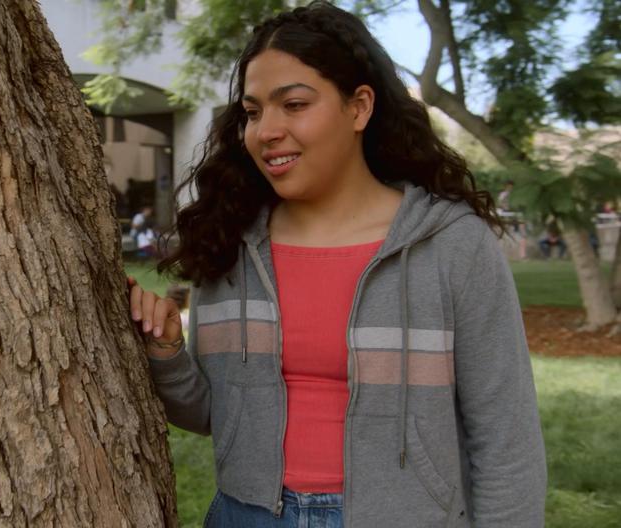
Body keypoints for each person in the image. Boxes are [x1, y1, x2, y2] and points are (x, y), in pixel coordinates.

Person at [126, 3, 546, 527]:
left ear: (359, 107)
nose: (266, 131)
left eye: (294, 104)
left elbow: (506, 440)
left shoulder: (451, 245)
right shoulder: (233, 244)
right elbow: (217, 415)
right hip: (245, 516)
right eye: (253, 112)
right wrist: (167, 354)